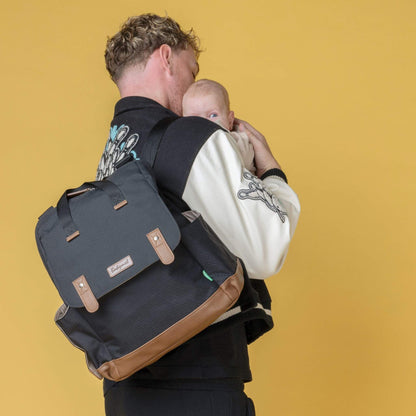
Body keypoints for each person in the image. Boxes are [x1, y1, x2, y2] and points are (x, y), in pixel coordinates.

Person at [97, 13, 300, 416]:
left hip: (127, 382)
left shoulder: (111, 153)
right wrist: (272, 171)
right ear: (167, 58)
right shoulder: (188, 138)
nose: (194, 87)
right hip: (197, 379)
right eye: (192, 71)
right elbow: (267, 249)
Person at [182, 79, 255, 173]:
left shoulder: (238, 140)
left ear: (230, 121)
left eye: (213, 115)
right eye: (194, 118)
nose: (204, 123)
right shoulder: (183, 144)